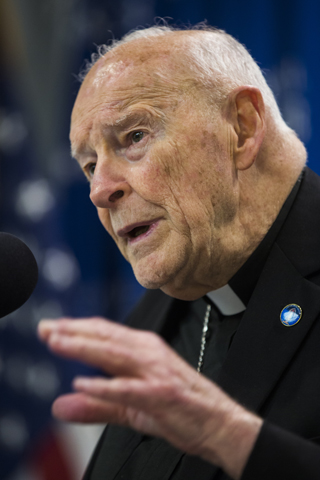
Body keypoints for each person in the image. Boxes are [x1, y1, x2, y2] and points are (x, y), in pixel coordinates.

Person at [38, 25, 320, 479]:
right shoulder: (149, 324)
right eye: (90, 165)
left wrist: (226, 435)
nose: (99, 190)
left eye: (133, 137)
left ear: (242, 127)